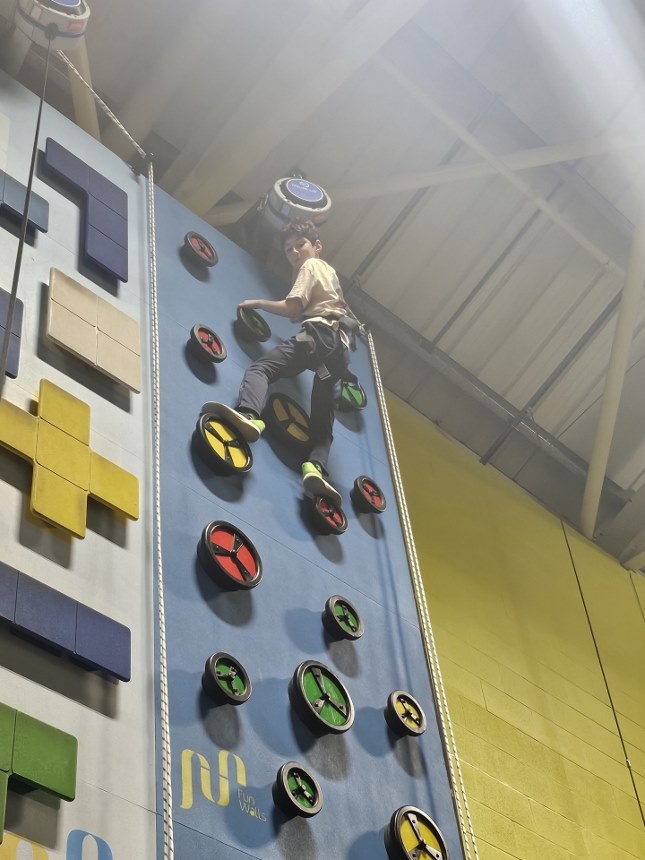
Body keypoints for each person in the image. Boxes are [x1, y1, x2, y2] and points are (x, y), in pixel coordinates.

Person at [202, 221, 355, 507]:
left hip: (316, 339)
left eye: (300, 245)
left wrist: (260, 303)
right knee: (322, 415)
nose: (295, 252)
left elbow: (293, 309)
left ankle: (249, 414)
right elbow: (305, 310)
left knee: (261, 369)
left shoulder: (311, 266)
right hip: (337, 356)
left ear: (317, 246)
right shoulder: (329, 274)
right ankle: (316, 467)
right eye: (289, 250)